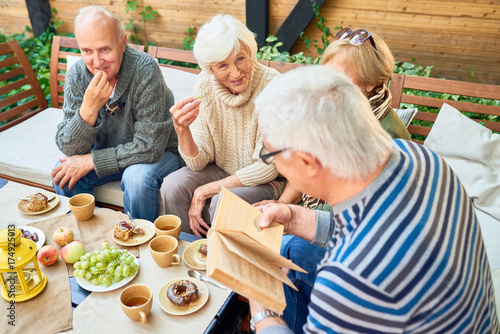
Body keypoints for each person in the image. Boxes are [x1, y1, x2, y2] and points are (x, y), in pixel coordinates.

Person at [248, 65, 498, 333]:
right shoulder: (420, 157)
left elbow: (366, 253)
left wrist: (263, 309)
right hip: (461, 316)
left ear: (307, 162)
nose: (269, 159)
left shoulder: (347, 280)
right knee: (290, 247)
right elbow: (372, 226)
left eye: (269, 154)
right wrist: (295, 217)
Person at [255, 28, 411, 210]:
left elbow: (352, 206)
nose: (325, 83)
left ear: (370, 83)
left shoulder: (385, 137)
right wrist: (283, 203)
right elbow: (306, 167)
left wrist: (293, 214)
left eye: (338, 77)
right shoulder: (335, 109)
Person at [52, 6, 180, 222]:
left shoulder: (145, 70)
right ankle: (89, 239)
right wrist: (89, 108)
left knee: (136, 178)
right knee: (62, 174)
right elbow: (68, 147)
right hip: (112, 155)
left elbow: (150, 147)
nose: (96, 61)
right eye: (87, 51)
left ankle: (139, 245)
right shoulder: (77, 74)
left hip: (160, 154)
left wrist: (92, 160)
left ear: (122, 42)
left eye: (104, 50)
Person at [160, 14, 285, 237]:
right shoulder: (204, 84)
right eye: (223, 65)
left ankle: (220, 266)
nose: (236, 73)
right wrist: (181, 130)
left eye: (240, 59)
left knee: (223, 201)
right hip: (223, 170)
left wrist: (206, 190)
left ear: (250, 51)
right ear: (210, 68)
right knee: (172, 186)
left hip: (268, 180)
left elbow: (269, 166)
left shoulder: (273, 85)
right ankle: (188, 256)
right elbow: (197, 163)